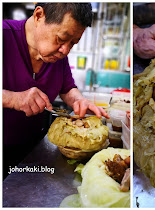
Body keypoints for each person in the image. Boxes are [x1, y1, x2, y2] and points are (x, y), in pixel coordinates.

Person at [3, 3, 109, 178]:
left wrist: (78, 101)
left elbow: (67, 88)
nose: (65, 50)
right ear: (38, 16)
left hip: (32, 152)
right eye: (61, 38)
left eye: (73, 43)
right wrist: (12, 99)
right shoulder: (4, 37)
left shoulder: (56, 55)